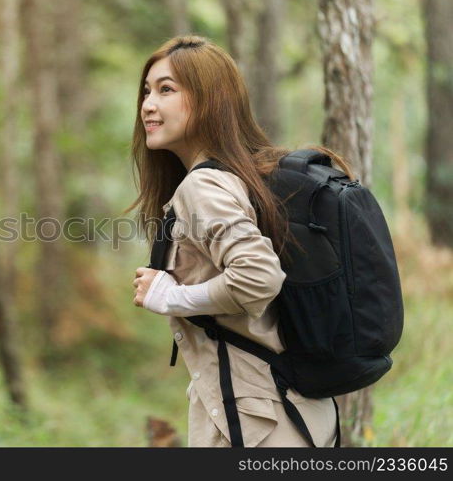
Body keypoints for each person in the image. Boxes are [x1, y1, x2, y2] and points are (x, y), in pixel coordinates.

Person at [128, 35, 339, 447]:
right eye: (147, 90)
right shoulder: (245, 176)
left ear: (210, 100)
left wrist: (171, 298)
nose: (148, 104)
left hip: (257, 423)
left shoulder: (204, 185)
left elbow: (258, 277)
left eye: (166, 90)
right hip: (290, 410)